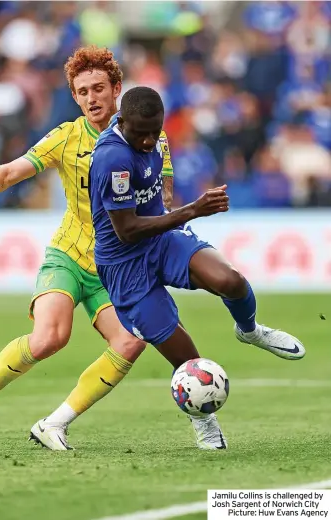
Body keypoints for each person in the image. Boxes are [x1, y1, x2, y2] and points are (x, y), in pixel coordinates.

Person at [0, 47, 217, 452]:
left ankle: (55, 423)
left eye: (99, 88)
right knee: (50, 338)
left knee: (131, 342)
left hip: (120, 267)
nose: (91, 98)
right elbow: (14, 170)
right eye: (82, 90)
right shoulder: (67, 137)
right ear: (74, 96)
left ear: (117, 90)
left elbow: (166, 200)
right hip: (71, 253)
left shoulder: (150, 139)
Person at [88, 86, 306, 447]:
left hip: (161, 239)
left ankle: (250, 330)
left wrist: (169, 196)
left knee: (231, 280)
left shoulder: (150, 131)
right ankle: (205, 422)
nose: (147, 141)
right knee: (187, 359)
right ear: (122, 122)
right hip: (125, 264)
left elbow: (160, 165)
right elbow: (126, 231)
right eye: (139, 133)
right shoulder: (112, 159)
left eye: (153, 132)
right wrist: (191, 210)